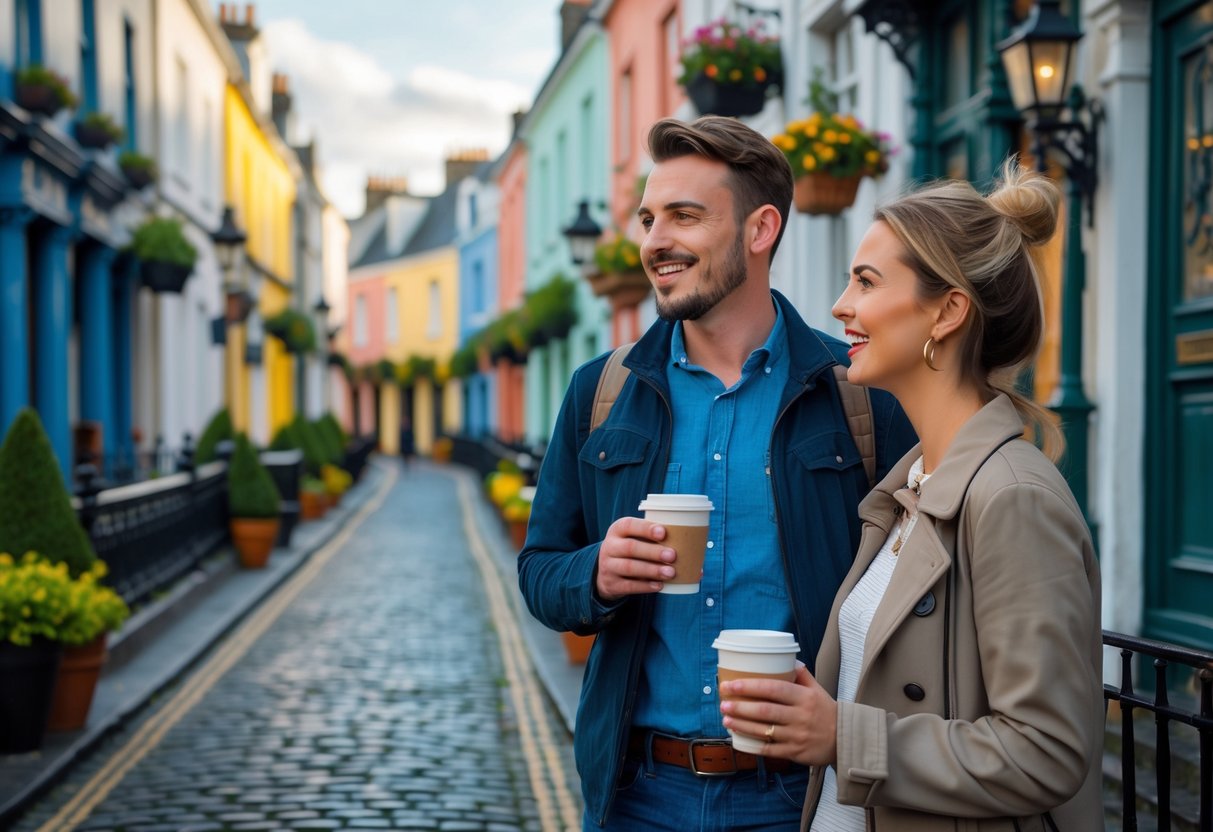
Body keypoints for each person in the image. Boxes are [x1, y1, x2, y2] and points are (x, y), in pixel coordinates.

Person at [517, 115, 916, 832]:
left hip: (802, 796)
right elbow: (541, 570)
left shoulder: (859, 394)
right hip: (636, 793)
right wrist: (596, 575)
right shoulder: (600, 391)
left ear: (759, 230)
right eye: (647, 218)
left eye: (683, 216)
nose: (653, 242)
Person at [718, 162, 1103, 831]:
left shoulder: (1011, 497)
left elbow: (1047, 751)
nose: (839, 306)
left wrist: (842, 736)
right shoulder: (908, 489)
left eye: (865, 281)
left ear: (947, 312)